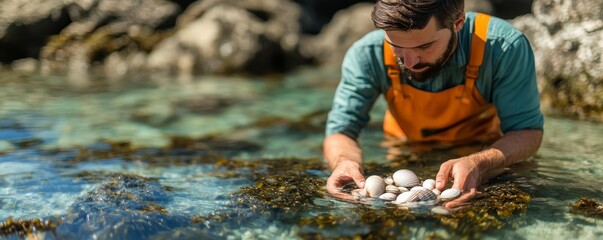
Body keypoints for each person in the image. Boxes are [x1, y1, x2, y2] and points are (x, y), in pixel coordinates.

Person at [323, 0, 544, 208]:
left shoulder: (504, 48)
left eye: (425, 46)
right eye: (396, 46)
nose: (409, 62)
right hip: (404, 150)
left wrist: (480, 162)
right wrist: (343, 162)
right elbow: (341, 131)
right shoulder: (366, 54)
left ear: (458, 22)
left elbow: (527, 131)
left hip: (483, 152)